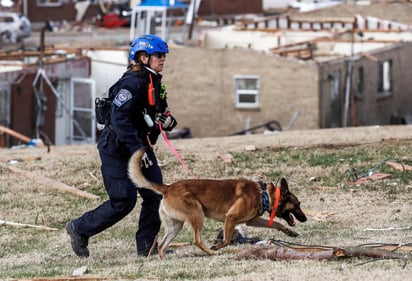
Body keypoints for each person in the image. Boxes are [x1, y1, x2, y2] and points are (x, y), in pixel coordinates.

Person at [66, 34, 177, 258]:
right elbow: (119, 119)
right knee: (123, 201)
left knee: (155, 195)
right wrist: (138, 149)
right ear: (143, 58)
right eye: (158, 55)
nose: (163, 59)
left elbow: (156, 111)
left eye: (164, 55)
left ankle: (148, 247)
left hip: (140, 148)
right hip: (116, 150)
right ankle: (79, 228)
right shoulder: (132, 83)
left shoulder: (154, 80)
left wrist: (167, 121)